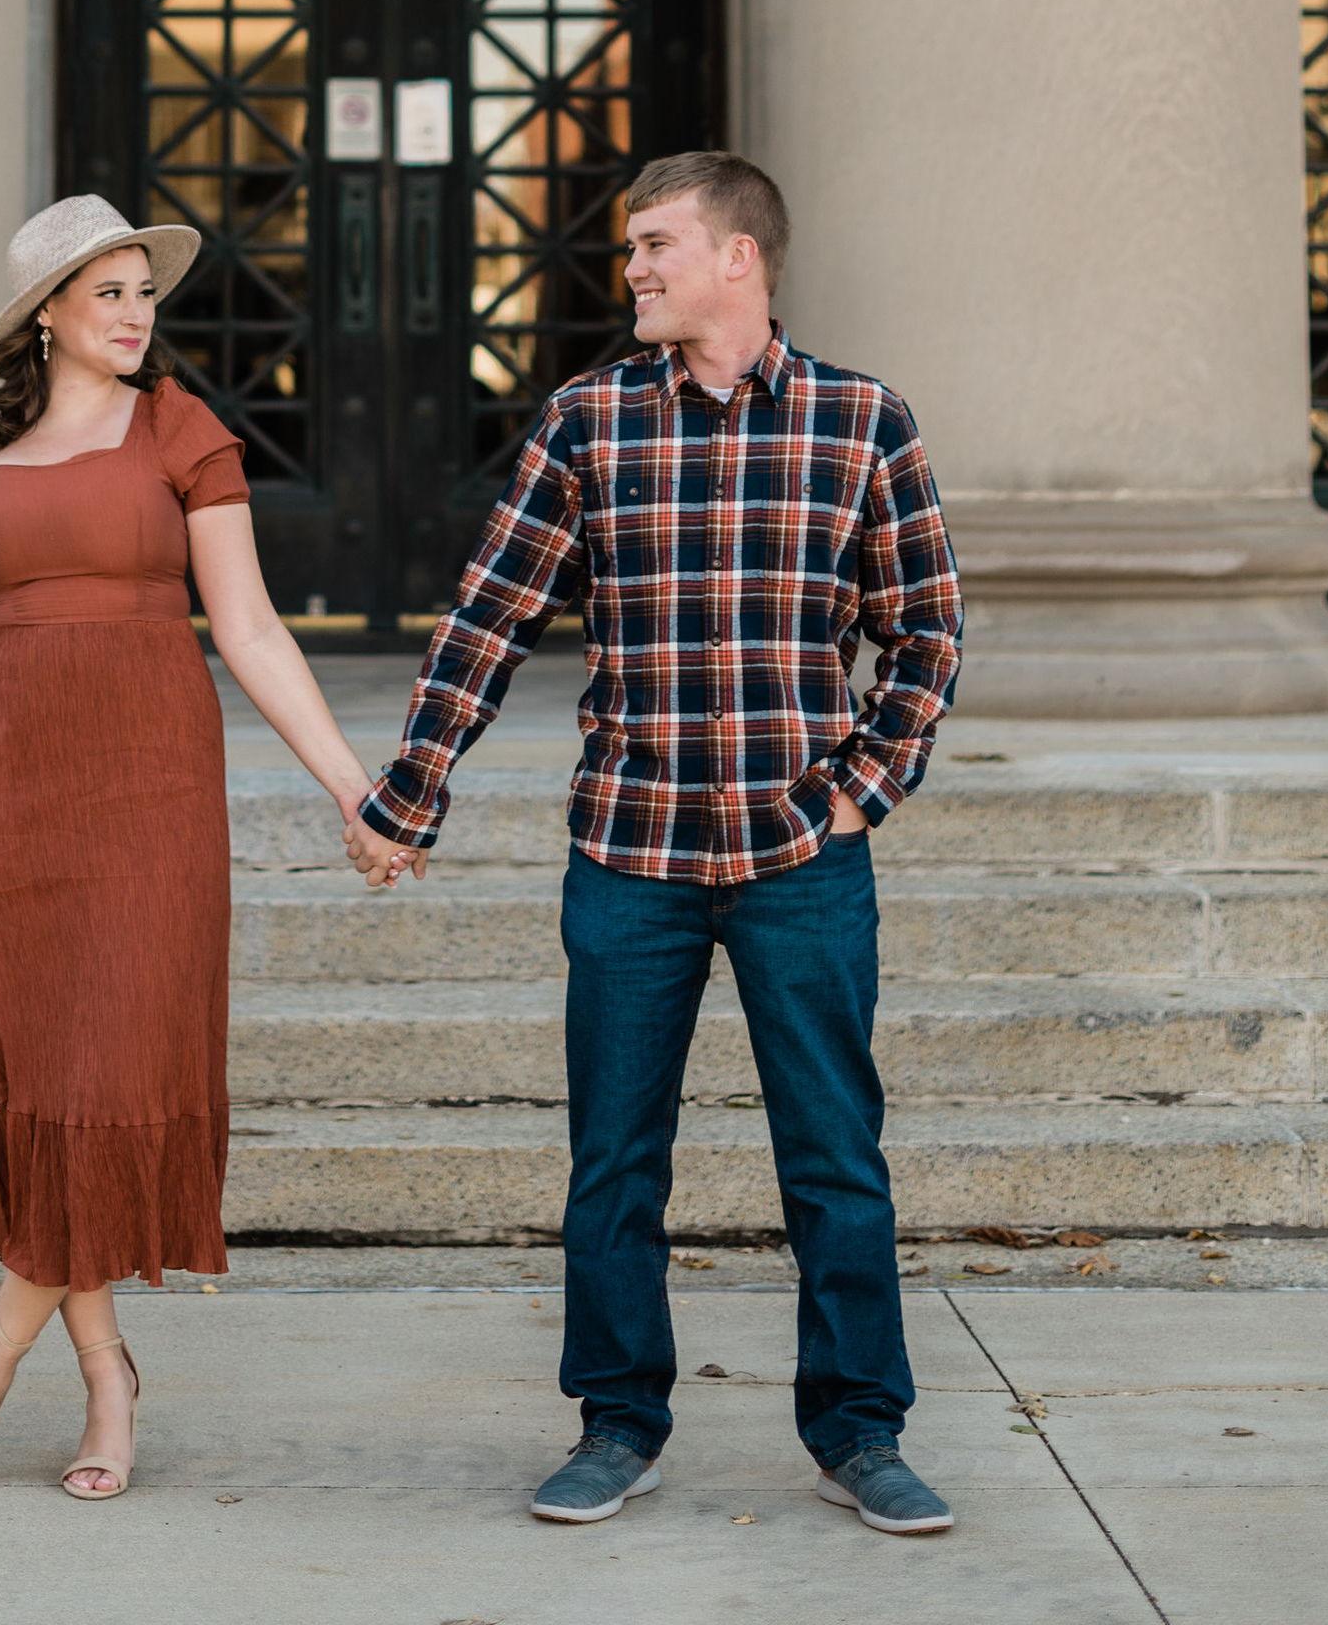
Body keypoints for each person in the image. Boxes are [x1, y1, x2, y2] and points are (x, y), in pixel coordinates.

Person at [346, 151, 967, 1536]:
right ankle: (617, 1422)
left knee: (835, 1157)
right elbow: (488, 617)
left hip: (801, 857)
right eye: (632, 248)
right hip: (630, 858)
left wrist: (865, 787)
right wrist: (410, 795)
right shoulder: (588, 421)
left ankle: (861, 1430)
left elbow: (926, 627)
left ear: (738, 258)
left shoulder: (863, 421)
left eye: (656, 244)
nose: (632, 268)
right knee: (615, 1159)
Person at [0, 194, 395, 1501]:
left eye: (142, 294)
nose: (133, 316)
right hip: (5, 799)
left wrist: (351, 789)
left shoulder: (179, 430)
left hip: (150, 790)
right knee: (51, 1089)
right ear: (44, 314)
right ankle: (107, 1370)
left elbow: (256, 628)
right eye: (106, 294)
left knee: (109, 1074)